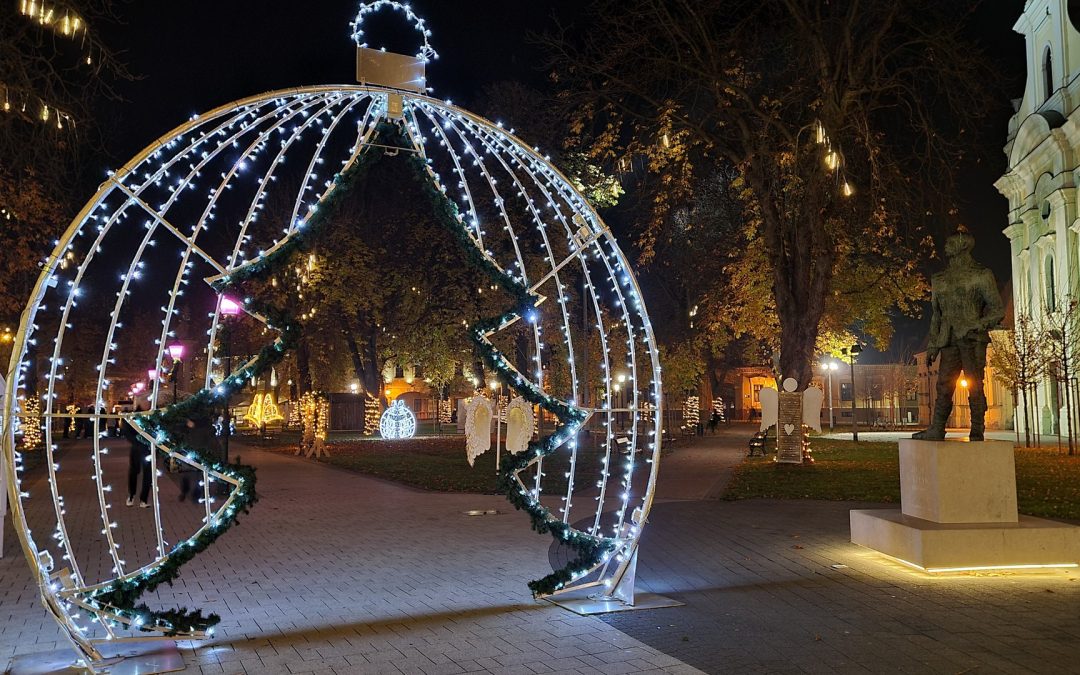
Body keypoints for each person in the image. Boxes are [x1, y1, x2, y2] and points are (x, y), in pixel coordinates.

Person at [912, 226, 1004, 442]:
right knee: (943, 385)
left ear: (963, 246)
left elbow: (997, 310)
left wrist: (976, 325)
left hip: (973, 338)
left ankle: (977, 429)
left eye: (951, 242)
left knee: (975, 384)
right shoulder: (940, 279)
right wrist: (934, 344)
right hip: (949, 339)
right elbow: (937, 315)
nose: (946, 246)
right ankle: (937, 428)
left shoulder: (981, 275)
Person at [125, 407, 152, 508]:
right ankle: (132, 495)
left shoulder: (151, 414)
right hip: (137, 449)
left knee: (148, 475)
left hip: (147, 449)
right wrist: (138, 442)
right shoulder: (133, 415)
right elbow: (128, 432)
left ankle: (143, 499)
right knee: (134, 472)